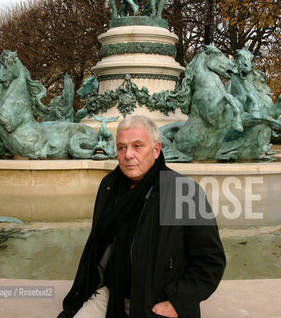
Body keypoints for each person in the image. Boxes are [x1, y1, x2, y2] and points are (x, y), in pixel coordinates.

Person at [57, 115, 226, 318]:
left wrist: (176, 301)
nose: (128, 155)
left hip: (156, 301)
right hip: (112, 295)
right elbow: (97, 247)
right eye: (121, 147)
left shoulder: (183, 192)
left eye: (137, 146)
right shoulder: (109, 187)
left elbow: (211, 261)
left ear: (156, 150)